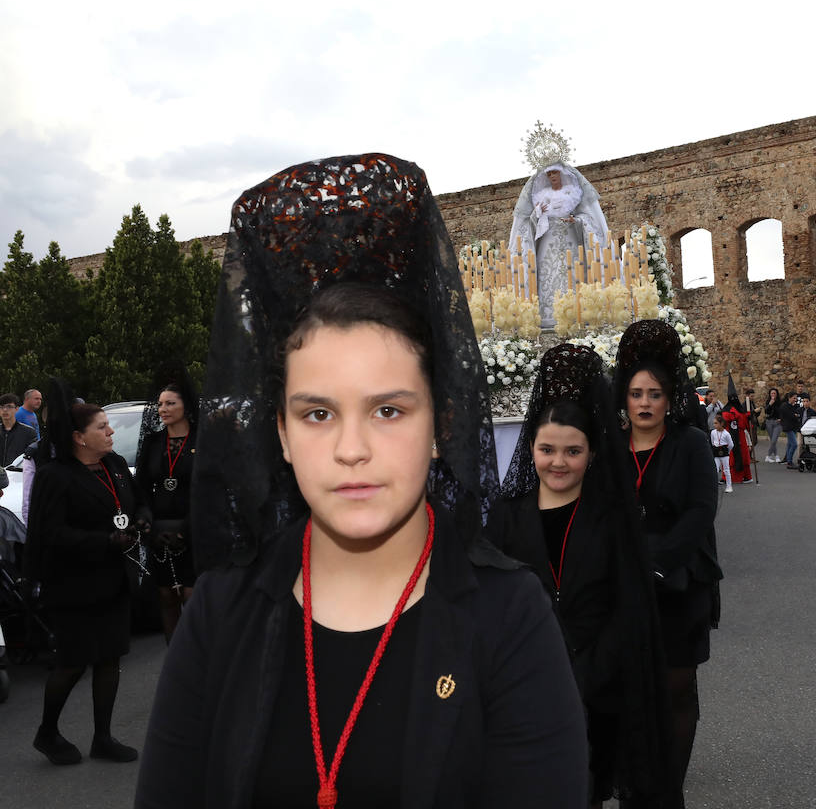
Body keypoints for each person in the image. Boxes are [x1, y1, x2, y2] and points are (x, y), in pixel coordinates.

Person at [136, 153, 588, 809]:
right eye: (318, 414)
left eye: (388, 410)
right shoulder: (219, 616)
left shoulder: (509, 621)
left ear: (440, 426)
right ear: (283, 436)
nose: (352, 449)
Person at [487, 343, 673, 808]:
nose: (558, 462)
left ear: (592, 455)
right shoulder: (506, 519)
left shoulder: (610, 520)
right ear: (530, 448)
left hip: (596, 684)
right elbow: (490, 605)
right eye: (547, 449)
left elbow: (628, 604)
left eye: (573, 451)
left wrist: (588, 672)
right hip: (522, 684)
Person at [613, 319, 722, 808]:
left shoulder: (689, 444)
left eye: (654, 394)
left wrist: (658, 563)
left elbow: (701, 510)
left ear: (668, 397)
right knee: (633, 687)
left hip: (679, 580)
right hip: (624, 585)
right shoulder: (612, 449)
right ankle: (639, 778)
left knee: (677, 685)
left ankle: (668, 789)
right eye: (636, 393)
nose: (644, 403)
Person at [24, 380, 148, 765]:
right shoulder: (55, 476)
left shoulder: (112, 465)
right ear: (79, 437)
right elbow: (50, 534)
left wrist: (141, 521)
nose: (111, 432)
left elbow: (135, 500)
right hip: (74, 584)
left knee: (110, 658)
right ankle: (47, 732)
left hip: (113, 580)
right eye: (102, 428)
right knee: (73, 662)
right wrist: (106, 541)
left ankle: (103, 738)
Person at [135, 368, 198, 643]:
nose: (163, 409)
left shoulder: (203, 440)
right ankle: (175, 659)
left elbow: (212, 488)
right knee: (166, 596)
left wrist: (187, 529)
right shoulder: (153, 443)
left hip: (195, 529)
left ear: (187, 405)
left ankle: (202, 660)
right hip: (160, 532)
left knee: (192, 596)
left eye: (170, 403)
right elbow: (143, 488)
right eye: (160, 404)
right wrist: (148, 522)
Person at [508, 161, 610, 328]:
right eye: (549, 174)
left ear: (561, 174)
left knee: (574, 274)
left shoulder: (573, 192)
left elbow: (588, 218)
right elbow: (530, 225)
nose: (552, 176)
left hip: (571, 240)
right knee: (548, 273)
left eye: (554, 173)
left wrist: (576, 221)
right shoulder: (542, 196)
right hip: (548, 243)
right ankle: (549, 317)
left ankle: (577, 314)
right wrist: (537, 213)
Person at [720, 380, 753, 485]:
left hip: (740, 437)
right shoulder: (725, 410)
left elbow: (746, 426)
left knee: (743, 456)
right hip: (729, 437)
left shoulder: (741, 410)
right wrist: (734, 415)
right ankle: (727, 477)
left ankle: (746, 476)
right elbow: (724, 421)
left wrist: (748, 417)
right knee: (729, 457)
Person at [1, 393, 36, 466]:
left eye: (9, 407)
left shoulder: (29, 432)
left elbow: (32, 458)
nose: (4, 410)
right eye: (1, 407)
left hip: (18, 474)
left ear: (17, 409)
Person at [710, 415, 734, 493]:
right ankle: (714, 487)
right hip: (716, 453)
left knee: (726, 470)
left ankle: (729, 486)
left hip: (724, 453)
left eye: (716, 423)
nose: (714, 425)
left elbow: (731, 445)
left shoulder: (726, 434)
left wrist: (728, 451)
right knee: (715, 469)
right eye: (714, 423)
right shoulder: (713, 432)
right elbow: (712, 442)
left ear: (721, 423)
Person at [779, 391, 801, 468]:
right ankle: (789, 461)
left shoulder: (794, 406)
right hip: (788, 427)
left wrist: (796, 415)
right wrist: (796, 415)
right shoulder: (784, 406)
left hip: (793, 427)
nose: (795, 400)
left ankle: (788, 460)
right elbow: (791, 416)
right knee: (794, 444)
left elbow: (797, 415)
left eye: (796, 398)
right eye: (794, 398)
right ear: (789, 398)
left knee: (789, 444)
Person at [763, 388, 782, 462]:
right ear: (770, 394)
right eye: (772, 393)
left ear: (777, 394)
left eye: (774, 393)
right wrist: (770, 404)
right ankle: (776, 456)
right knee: (772, 441)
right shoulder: (768, 401)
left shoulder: (779, 402)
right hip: (769, 422)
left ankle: (768, 456)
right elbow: (766, 411)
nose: (773, 395)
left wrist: (781, 418)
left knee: (774, 440)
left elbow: (781, 411)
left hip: (777, 423)